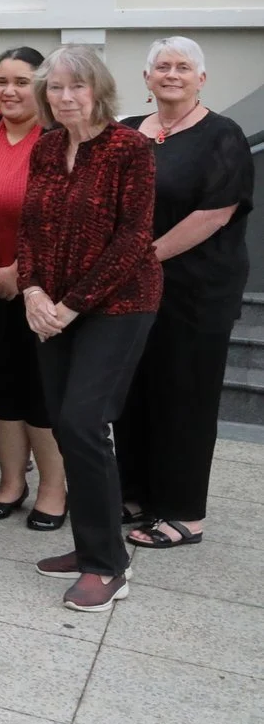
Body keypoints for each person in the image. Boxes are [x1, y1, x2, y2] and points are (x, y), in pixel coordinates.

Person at [17, 46, 161, 612]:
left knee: (82, 421)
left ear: (98, 89)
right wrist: (31, 291)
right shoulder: (49, 146)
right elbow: (28, 226)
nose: (65, 96)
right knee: (63, 421)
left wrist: (70, 306)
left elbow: (133, 239)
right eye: (55, 88)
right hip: (51, 305)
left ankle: (108, 565)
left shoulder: (132, 148)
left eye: (76, 86)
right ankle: (87, 546)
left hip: (118, 306)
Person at [118, 37, 253, 552]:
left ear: (201, 78)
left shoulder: (223, 134)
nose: (171, 74)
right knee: (134, 391)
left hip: (196, 290)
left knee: (185, 397)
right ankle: (133, 493)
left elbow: (216, 211)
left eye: (183, 67)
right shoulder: (129, 131)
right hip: (131, 291)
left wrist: (140, 258)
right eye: (161, 67)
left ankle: (183, 513)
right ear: (148, 79)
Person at [0, 48, 66, 528]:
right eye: (0, 81)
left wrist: (21, 273)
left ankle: (52, 488)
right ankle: (10, 481)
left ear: (41, 85)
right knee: (1, 386)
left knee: (42, 389)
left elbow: (68, 222)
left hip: (47, 288)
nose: (7, 91)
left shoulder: (62, 140)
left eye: (21, 81)